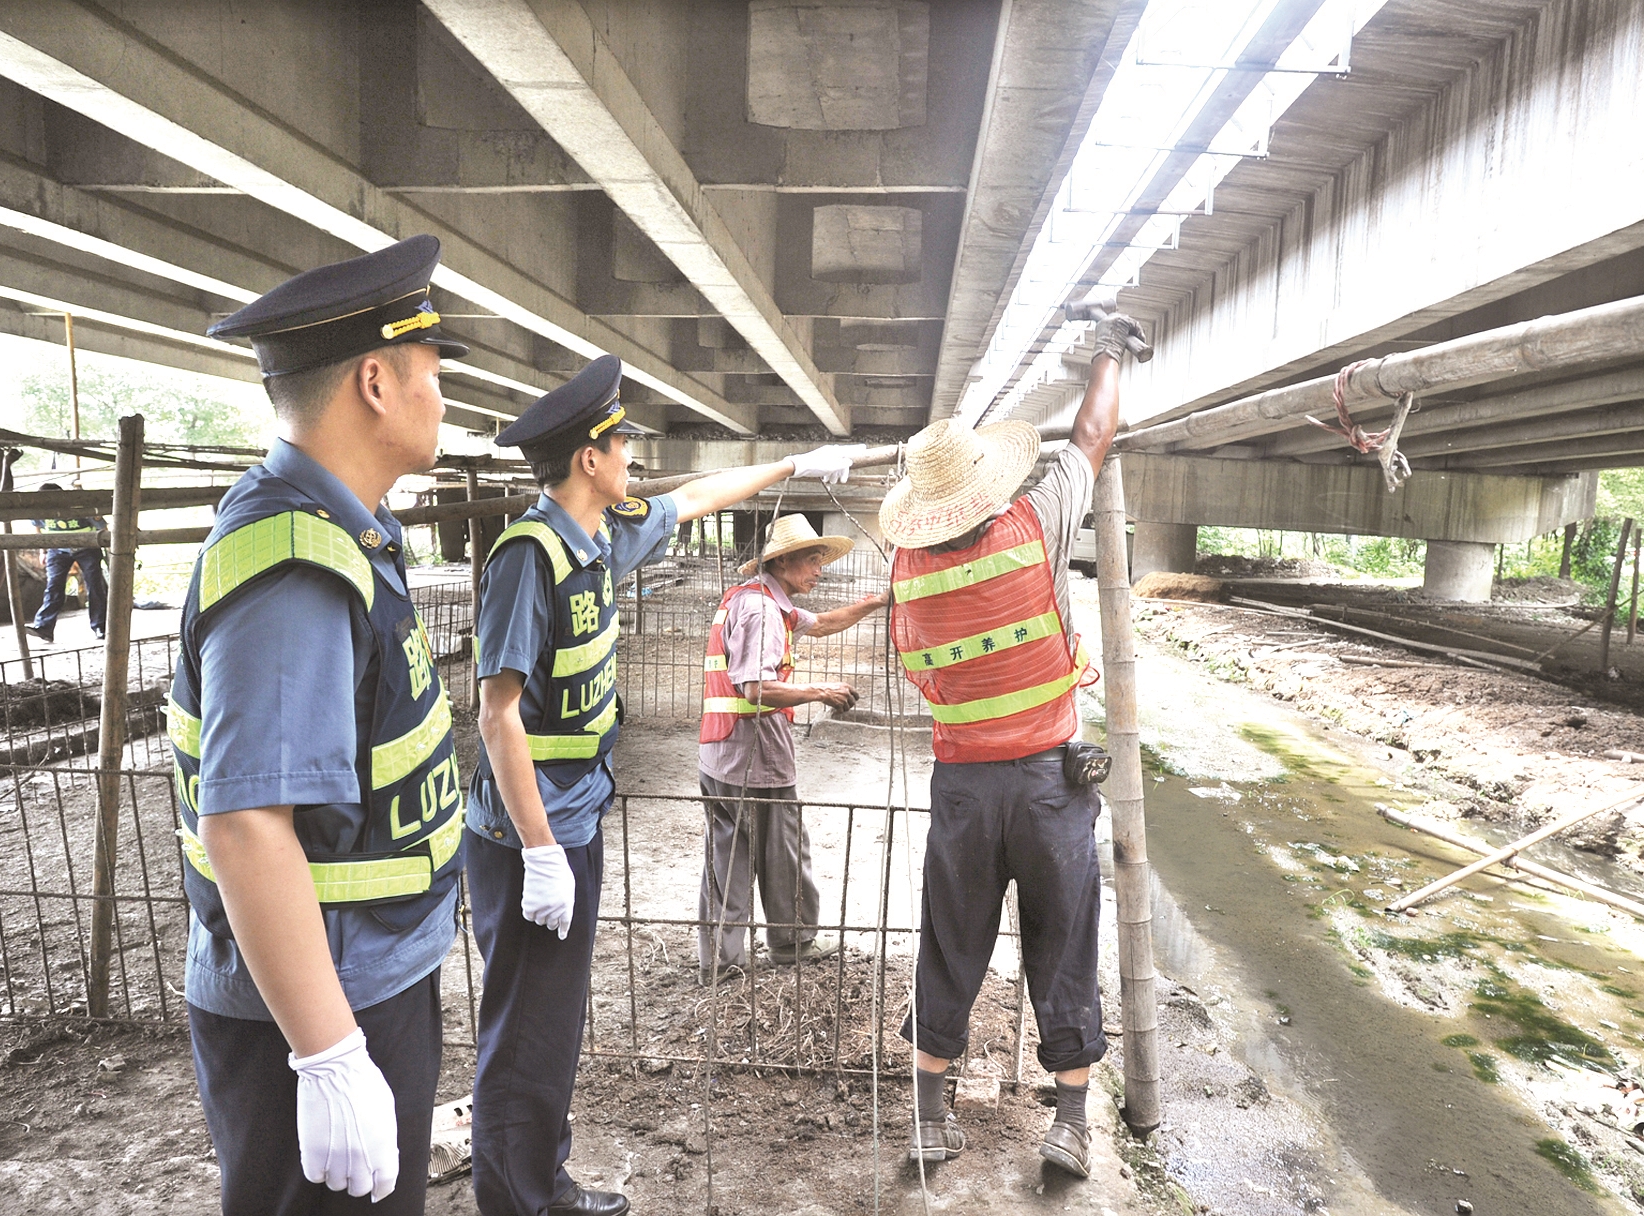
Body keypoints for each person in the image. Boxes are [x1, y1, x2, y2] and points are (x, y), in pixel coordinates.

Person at [466, 354, 865, 1216]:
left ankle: (543, 1178)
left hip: (573, 818)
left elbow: (701, 497)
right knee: (521, 1023)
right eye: (624, 449)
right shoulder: (526, 560)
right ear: (588, 460)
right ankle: (514, 1196)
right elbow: (497, 716)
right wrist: (538, 852)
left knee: (555, 1020)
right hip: (524, 836)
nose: (635, 465)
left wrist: (795, 465)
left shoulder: (602, 537)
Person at [169, 234, 472, 1215]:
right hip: (316, 1001)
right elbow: (247, 819)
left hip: (351, 969)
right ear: (376, 382)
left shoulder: (341, 530)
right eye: (432, 373)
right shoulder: (295, 557)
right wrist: (330, 1052)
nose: (442, 396)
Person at [881, 312, 1145, 1178]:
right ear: (989, 489)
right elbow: (1092, 433)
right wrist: (1110, 353)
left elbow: (922, 673)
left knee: (949, 938)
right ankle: (1069, 1124)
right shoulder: (1035, 526)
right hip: (1048, 785)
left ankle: (927, 1117)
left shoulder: (906, 574)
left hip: (962, 786)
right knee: (1063, 937)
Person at [696, 514, 888, 972]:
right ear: (782, 562)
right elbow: (755, 688)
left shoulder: (759, 599)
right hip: (753, 756)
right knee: (783, 851)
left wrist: (877, 602)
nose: (820, 568)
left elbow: (820, 624)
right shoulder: (763, 611)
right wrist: (820, 691)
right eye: (812, 559)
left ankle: (720, 964)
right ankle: (792, 944)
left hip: (721, 753)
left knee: (728, 859)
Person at [29, 482, 108, 643]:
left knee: (94, 585)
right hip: (57, 550)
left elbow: (102, 526)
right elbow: (38, 528)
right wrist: (43, 551)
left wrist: (96, 516)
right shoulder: (39, 509)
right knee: (54, 586)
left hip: (87, 547)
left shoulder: (79, 506)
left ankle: (100, 626)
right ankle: (44, 627)